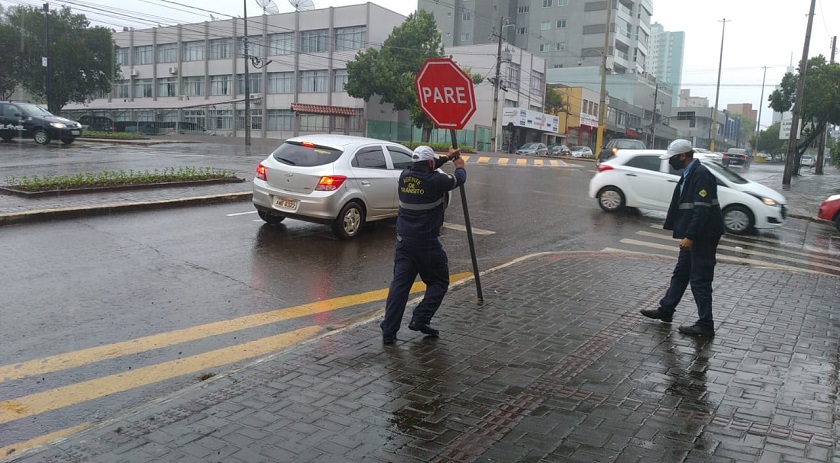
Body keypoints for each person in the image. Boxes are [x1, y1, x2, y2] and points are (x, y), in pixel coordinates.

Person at [380, 145, 466, 346]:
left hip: (404, 242)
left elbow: (427, 165)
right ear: (429, 163)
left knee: (400, 287)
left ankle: (389, 332)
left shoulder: (405, 175)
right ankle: (421, 317)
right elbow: (459, 179)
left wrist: (446, 157)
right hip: (426, 244)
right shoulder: (435, 180)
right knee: (439, 282)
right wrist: (459, 165)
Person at [640, 139, 725, 337]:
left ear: (683, 156)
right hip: (694, 234)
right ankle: (666, 310)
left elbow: (701, 211)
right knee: (681, 274)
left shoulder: (701, 175)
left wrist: (690, 236)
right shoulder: (689, 174)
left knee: (700, 280)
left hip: (702, 236)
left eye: (673, 158)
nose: (671, 162)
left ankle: (706, 324)